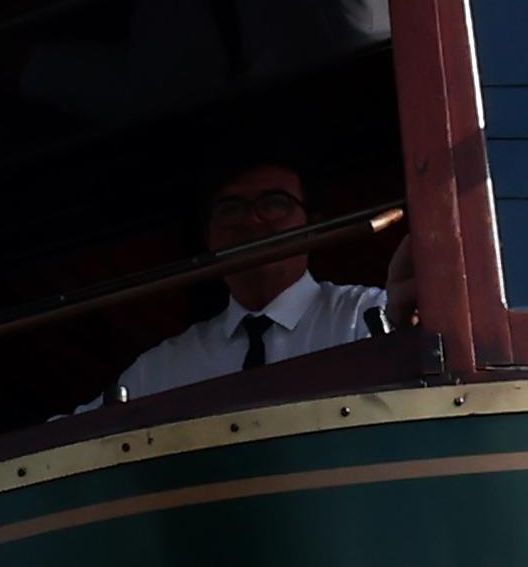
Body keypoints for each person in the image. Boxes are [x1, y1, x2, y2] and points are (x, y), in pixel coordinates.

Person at [114, 158, 408, 404]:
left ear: (312, 226)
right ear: (209, 237)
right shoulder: (163, 368)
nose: (252, 221)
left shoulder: (367, 316)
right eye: (231, 209)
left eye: (274, 204)